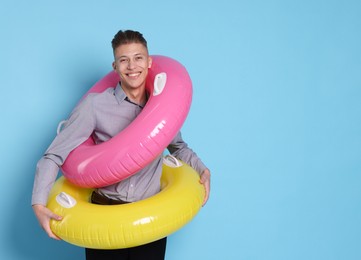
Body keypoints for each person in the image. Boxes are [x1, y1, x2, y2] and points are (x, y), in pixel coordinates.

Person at [32, 30, 211, 260]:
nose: (132, 66)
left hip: (150, 217)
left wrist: (202, 169)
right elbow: (54, 155)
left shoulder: (161, 109)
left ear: (149, 62)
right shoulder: (95, 105)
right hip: (105, 216)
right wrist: (38, 203)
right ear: (115, 66)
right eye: (123, 60)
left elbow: (179, 147)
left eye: (138, 58)